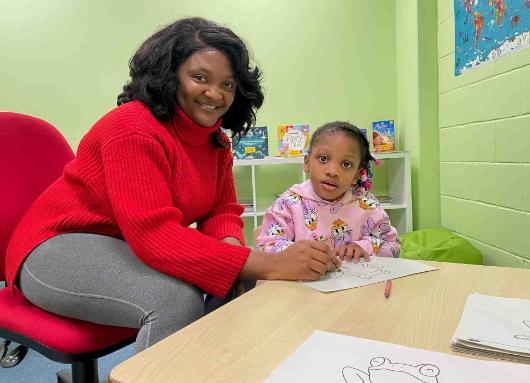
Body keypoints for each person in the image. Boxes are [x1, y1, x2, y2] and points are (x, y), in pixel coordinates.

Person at [5, 17, 339, 353]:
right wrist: (271, 263)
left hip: (122, 246)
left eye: (228, 84)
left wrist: (236, 256)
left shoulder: (216, 142)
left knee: (241, 276)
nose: (216, 94)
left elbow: (221, 211)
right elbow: (155, 236)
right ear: (169, 76)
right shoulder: (131, 128)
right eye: (200, 78)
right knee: (176, 301)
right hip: (52, 249)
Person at [256, 121, 400, 261]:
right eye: (323, 159)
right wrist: (298, 253)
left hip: (355, 284)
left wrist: (363, 246)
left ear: (356, 174)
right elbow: (264, 248)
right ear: (307, 162)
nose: (333, 172)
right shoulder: (288, 204)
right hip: (302, 284)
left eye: (346, 164)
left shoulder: (366, 204)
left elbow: (393, 246)